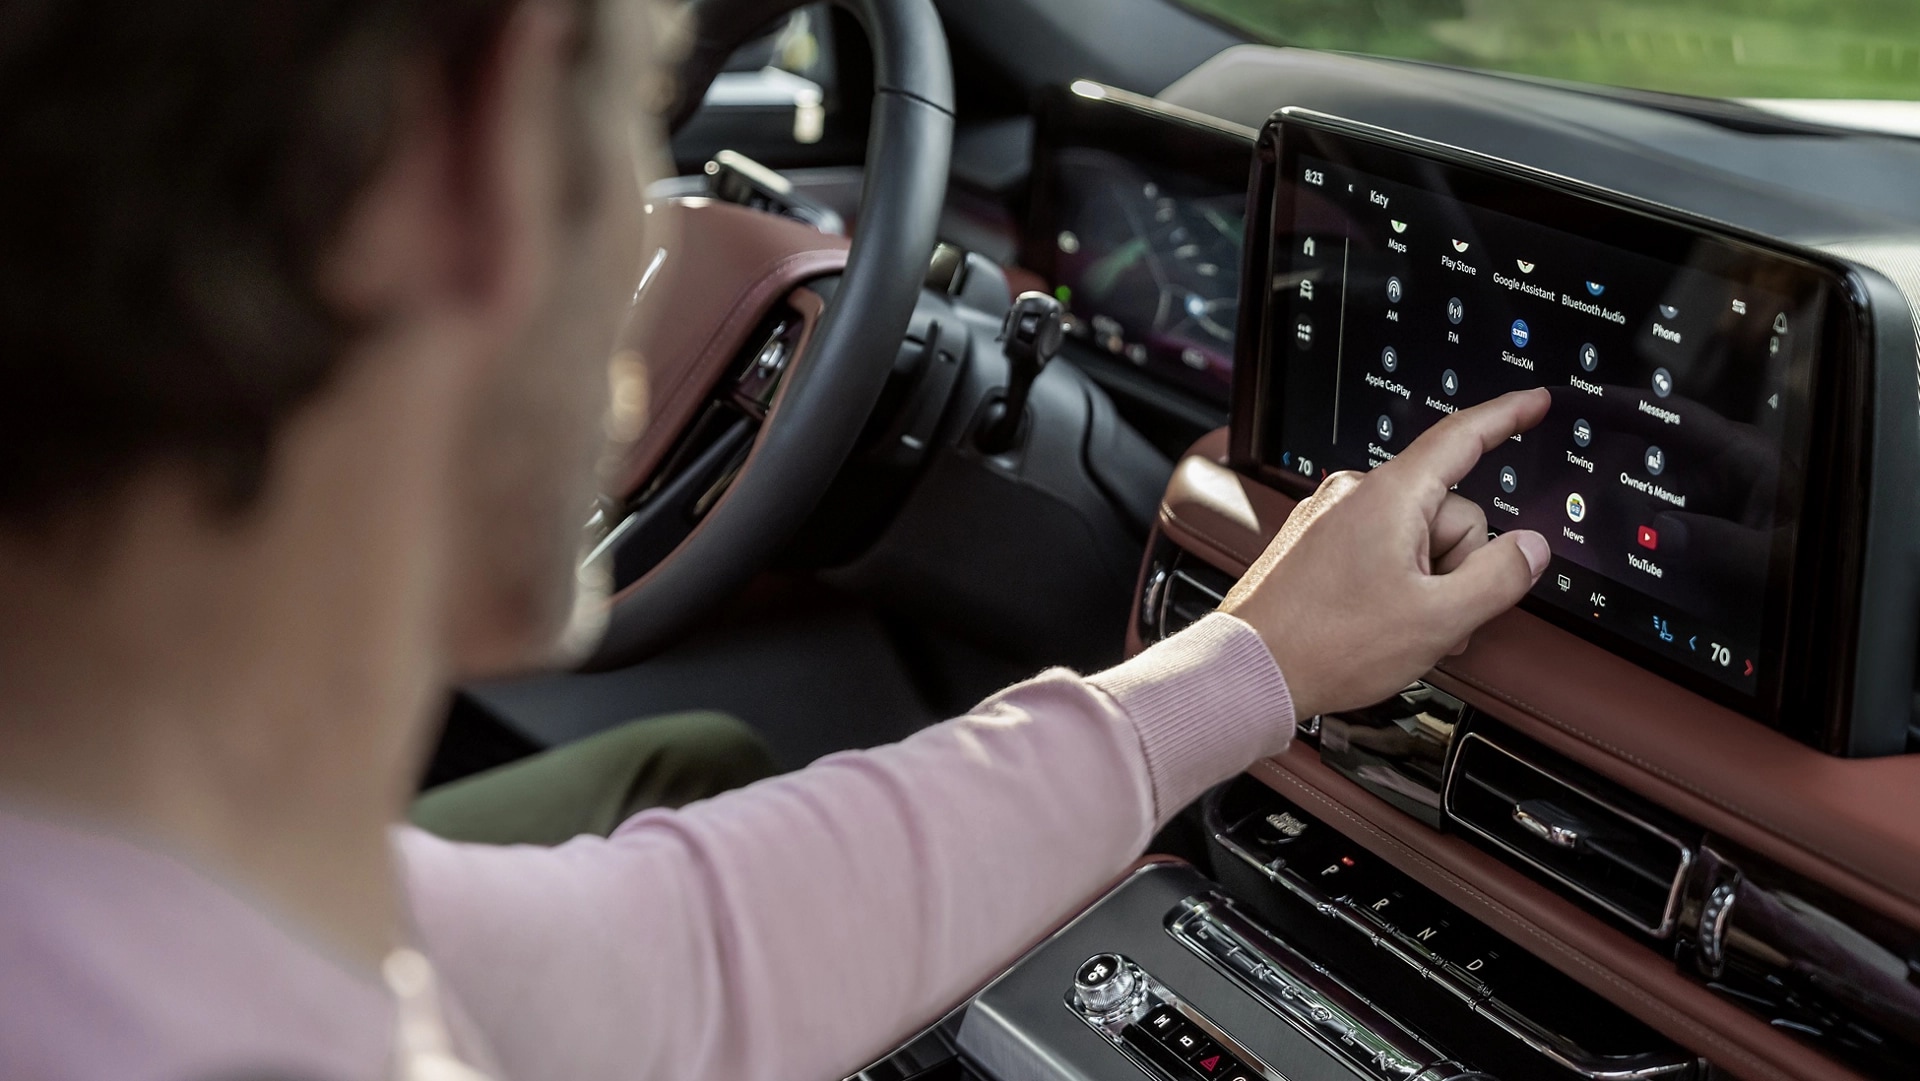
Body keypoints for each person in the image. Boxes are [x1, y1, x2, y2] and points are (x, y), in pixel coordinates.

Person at [0, 1, 1555, 1079]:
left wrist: (1245, 663)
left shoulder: (184, 901)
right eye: (631, 124)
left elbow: (677, 962)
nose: (652, 233)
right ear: (478, 152)